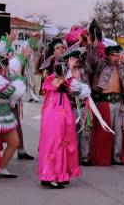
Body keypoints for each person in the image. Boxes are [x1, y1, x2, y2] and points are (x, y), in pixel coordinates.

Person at [38, 51, 90, 189]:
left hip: (59, 112)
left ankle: (56, 175)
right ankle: (50, 176)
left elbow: (82, 92)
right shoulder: (55, 79)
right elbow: (63, 82)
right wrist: (72, 75)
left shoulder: (66, 80)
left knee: (59, 143)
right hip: (56, 113)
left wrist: (75, 78)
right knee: (55, 143)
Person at [86, 43, 124, 166]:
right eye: (113, 55)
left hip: (119, 103)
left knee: (120, 132)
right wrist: (93, 44)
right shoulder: (101, 66)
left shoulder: (122, 68)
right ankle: (105, 157)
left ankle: (117, 157)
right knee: (105, 132)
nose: (116, 58)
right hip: (105, 103)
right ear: (108, 56)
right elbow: (91, 62)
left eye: (117, 55)